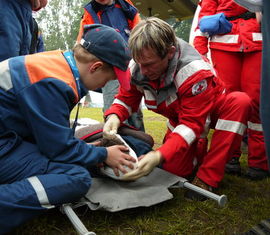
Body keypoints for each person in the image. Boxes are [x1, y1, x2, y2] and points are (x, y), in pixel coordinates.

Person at [0, 24, 136, 233]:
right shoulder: (53, 82)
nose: (107, 84)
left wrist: (84, 150)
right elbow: (57, 148)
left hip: (8, 138)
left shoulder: (55, 64)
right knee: (76, 177)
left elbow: (50, 136)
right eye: (110, 78)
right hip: (4, 144)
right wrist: (102, 154)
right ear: (95, 67)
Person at [102, 17, 251, 200]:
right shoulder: (139, 64)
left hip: (211, 110)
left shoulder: (194, 71)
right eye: (139, 62)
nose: (143, 70)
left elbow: (192, 124)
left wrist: (159, 155)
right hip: (180, 118)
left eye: (149, 64)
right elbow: (126, 98)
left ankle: (208, 177)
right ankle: (197, 159)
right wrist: (114, 116)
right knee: (173, 171)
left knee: (240, 102)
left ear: (170, 52)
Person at [193, 0, 269, 180]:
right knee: (228, 103)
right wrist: (199, 53)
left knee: (257, 102)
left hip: (257, 43)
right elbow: (204, 17)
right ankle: (229, 156)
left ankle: (259, 162)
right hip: (223, 45)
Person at [77, 0, 145, 131]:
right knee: (112, 108)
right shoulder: (90, 12)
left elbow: (140, 32)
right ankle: (115, 139)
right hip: (108, 68)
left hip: (131, 64)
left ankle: (139, 144)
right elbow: (81, 43)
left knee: (135, 111)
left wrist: (140, 59)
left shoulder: (126, 6)